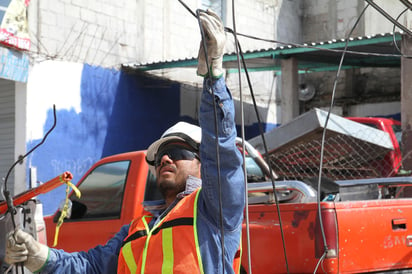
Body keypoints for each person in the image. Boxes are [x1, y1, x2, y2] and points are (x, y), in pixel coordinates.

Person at [4, 9, 245, 274]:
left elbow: (221, 154)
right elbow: (92, 266)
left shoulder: (214, 212)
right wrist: (42, 257)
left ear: (202, 162)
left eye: (176, 151)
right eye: (160, 155)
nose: (165, 158)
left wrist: (213, 79)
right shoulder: (136, 230)